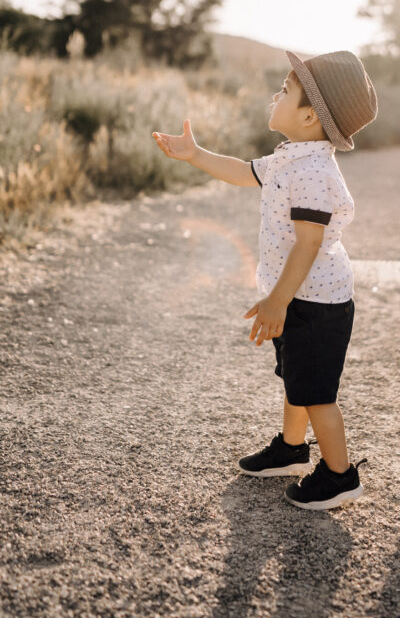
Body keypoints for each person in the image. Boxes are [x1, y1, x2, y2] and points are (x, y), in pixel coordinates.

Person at [152, 50, 377, 508]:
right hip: (295, 295)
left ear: (310, 115)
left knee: (317, 393)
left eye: (286, 91)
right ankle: (292, 450)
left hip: (314, 300)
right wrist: (195, 155)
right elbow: (241, 171)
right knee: (296, 379)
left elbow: (308, 244)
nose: (276, 94)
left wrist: (277, 302)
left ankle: (339, 476)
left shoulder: (315, 172)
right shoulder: (290, 157)